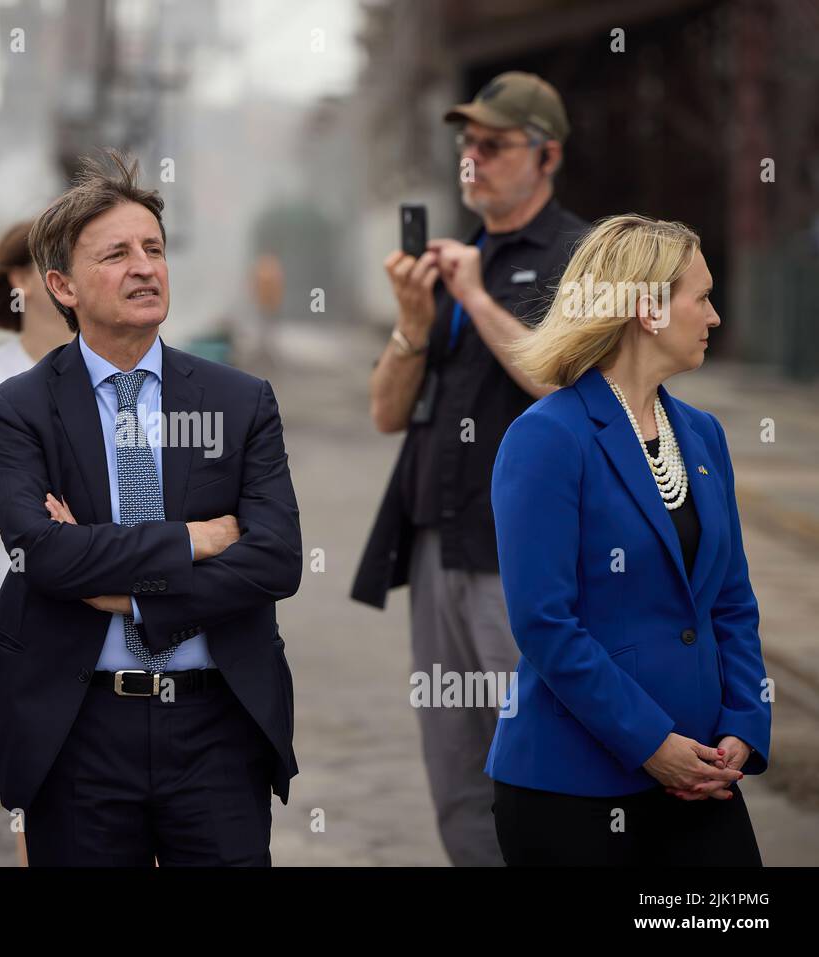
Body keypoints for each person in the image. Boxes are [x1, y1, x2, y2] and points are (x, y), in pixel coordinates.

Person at [0, 151, 303, 866]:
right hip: (76, 725)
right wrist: (194, 539)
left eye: (154, 249)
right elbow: (40, 554)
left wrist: (129, 596)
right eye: (115, 254)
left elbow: (276, 558)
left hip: (217, 724)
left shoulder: (239, 401)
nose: (144, 267)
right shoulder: (19, 407)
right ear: (62, 286)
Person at [352, 71, 588, 866]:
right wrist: (416, 321)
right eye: (466, 144)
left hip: (521, 556)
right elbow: (386, 411)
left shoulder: (577, 254)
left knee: (535, 762)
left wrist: (478, 300)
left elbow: (557, 376)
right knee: (456, 774)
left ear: (546, 154)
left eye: (493, 144)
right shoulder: (457, 262)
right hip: (435, 546)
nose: (472, 159)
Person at [488, 213, 771, 865]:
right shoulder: (548, 438)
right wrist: (651, 743)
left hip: (704, 779)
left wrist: (743, 725)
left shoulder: (702, 435)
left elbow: (730, 600)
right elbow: (544, 622)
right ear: (648, 309)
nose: (715, 316)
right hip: (573, 789)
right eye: (702, 297)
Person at [0, 219, 73, 866]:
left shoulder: (122, 371)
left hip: (116, 608)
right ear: (20, 281)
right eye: (48, 265)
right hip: (17, 613)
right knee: (37, 811)